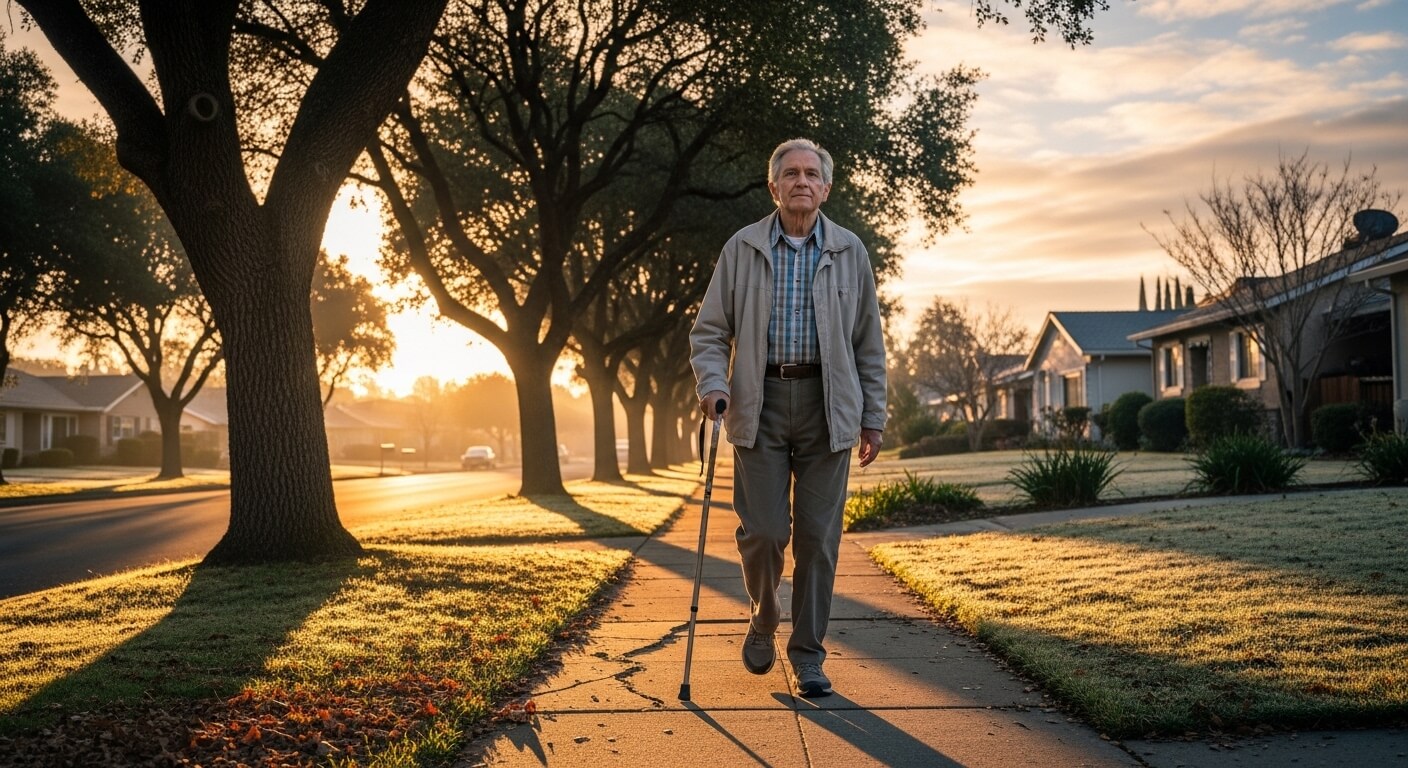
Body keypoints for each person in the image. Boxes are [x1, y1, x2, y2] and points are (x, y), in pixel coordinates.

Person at [689, 137, 886, 698]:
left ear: (826, 188)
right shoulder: (743, 247)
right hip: (760, 401)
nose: (802, 181)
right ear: (773, 186)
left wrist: (873, 416)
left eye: (811, 174)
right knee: (765, 533)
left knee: (818, 540)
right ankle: (764, 611)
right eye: (791, 173)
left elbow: (868, 342)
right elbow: (709, 331)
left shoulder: (850, 250)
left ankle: (808, 657)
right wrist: (713, 385)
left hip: (830, 404)